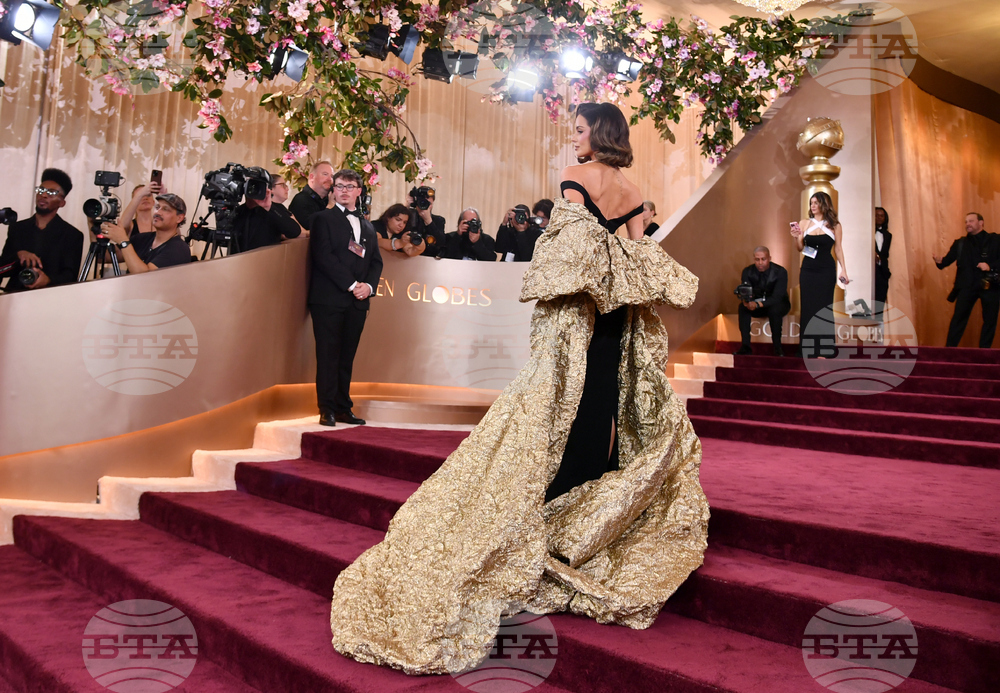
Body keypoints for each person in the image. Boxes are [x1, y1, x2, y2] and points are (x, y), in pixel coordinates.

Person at [331, 102, 708, 675]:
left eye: (579, 129)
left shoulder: (578, 179)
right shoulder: (631, 189)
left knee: (556, 404)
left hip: (576, 315)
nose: (573, 138)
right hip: (615, 318)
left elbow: (560, 255)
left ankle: (553, 498)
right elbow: (642, 259)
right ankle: (585, 500)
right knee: (599, 404)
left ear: (597, 134)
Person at [308, 169, 382, 427]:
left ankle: (343, 407)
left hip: (358, 302)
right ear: (333, 190)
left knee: (346, 357)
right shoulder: (322, 219)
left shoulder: (368, 226)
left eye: (350, 186)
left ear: (359, 191)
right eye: (339, 186)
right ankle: (326, 408)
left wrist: (368, 287)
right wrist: (352, 285)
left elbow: (375, 262)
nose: (344, 191)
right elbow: (324, 257)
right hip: (328, 299)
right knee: (327, 355)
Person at [0, 169, 83, 292]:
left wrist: (48, 280)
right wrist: (18, 255)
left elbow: (70, 276)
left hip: (50, 299)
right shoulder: (17, 228)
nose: (43, 195)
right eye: (41, 190)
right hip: (14, 296)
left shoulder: (72, 235)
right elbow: (2, 268)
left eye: (51, 192)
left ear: (62, 203)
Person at [790, 192, 850, 358]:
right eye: (811, 203)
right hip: (808, 270)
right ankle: (807, 349)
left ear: (824, 204)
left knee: (824, 308)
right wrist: (797, 238)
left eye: (816, 202)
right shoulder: (804, 223)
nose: (813, 206)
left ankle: (824, 348)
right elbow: (800, 248)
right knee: (808, 307)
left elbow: (838, 248)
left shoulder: (835, 225)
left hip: (826, 270)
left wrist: (843, 269)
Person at [934, 213, 1000, 348]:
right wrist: (939, 261)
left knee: (990, 320)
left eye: (971, 221)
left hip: (990, 285)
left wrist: (990, 266)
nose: (967, 224)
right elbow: (945, 262)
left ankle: (984, 353)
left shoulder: (995, 239)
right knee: (958, 319)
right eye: (966, 222)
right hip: (966, 286)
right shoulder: (960, 243)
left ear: (981, 223)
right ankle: (949, 351)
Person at [102, 193, 192, 272]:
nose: (158, 212)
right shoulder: (142, 238)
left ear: (179, 218)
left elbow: (145, 277)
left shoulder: (179, 249)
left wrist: (123, 241)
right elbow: (103, 257)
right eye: (157, 207)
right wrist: (91, 222)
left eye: (165, 209)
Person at [735, 247, 790, 356]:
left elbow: (777, 297)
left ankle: (777, 348)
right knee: (742, 308)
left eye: (763, 259)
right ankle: (745, 347)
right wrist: (747, 302)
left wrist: (758, 304)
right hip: (757, 305)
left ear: (769, 258)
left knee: (774, 310)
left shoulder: (780, 272)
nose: (760, 263)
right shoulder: (748, 271)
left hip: (779, 303)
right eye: (757, 259)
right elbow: (746, 291)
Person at [232, 170, 302, 252]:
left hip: (265, 261)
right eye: (250, 185)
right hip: (237, 261)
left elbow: (294, 232)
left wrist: (269, 207)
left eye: (258, 186)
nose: (254, 189)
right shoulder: (237, 211)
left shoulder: (275, 209)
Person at [288, 161, 334, 231]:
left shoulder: (329, 200)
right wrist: (329, 208)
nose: (330, 179)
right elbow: (314, 228)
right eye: (325, 174)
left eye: (332, 176)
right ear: (312, 177)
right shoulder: (301, 200)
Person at [405, 186, 446, 256]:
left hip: (428, 260)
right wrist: (407, 206)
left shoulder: (438, 220)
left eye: (428, 203)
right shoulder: (409, 216)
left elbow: (441, 242)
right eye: (422, 202)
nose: (425, 205)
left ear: (432, 204)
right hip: (407, 257)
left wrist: (429, 221)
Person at [874, 207, 892, 315]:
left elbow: (885, 255)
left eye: (882, 215)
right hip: (871, 273)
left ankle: (878, 329)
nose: (879, 218)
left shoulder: (888, 235)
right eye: (877, 215)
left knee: (880, 306)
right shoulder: (868, 233)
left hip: (883, 273)